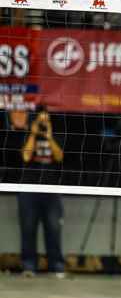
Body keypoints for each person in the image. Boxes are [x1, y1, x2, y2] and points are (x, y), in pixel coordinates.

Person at [9, 107, 65, 276]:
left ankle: (56, 266)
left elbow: (59, 156)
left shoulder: (55, 135)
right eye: (40, 120)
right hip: (29, 188)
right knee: (28, 228)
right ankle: (29, 266)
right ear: (34, 121)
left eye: (45, 120)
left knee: (54, 228)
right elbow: (26, 157)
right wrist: (33, 134)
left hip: (51, 189)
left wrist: (49, 136)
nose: (43, 124)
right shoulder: (27, 134)